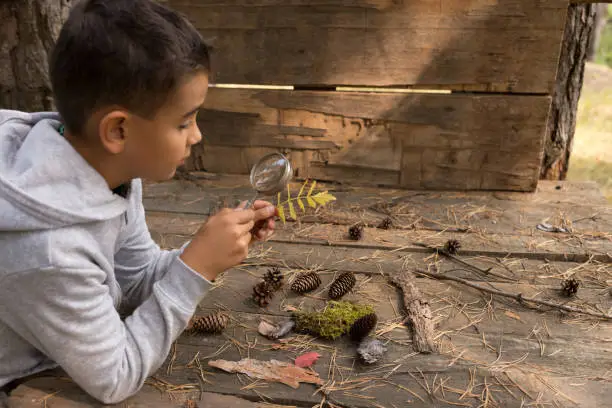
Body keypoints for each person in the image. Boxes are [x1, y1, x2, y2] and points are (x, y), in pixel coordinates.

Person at [0, 0, 277, 405]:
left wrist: (204, 253)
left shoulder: (108, 175)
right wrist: (196, 268)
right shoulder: (49, 253)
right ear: (118, 131)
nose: (196, 136)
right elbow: (116, 377)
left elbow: (133, 278)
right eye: (184, 121)